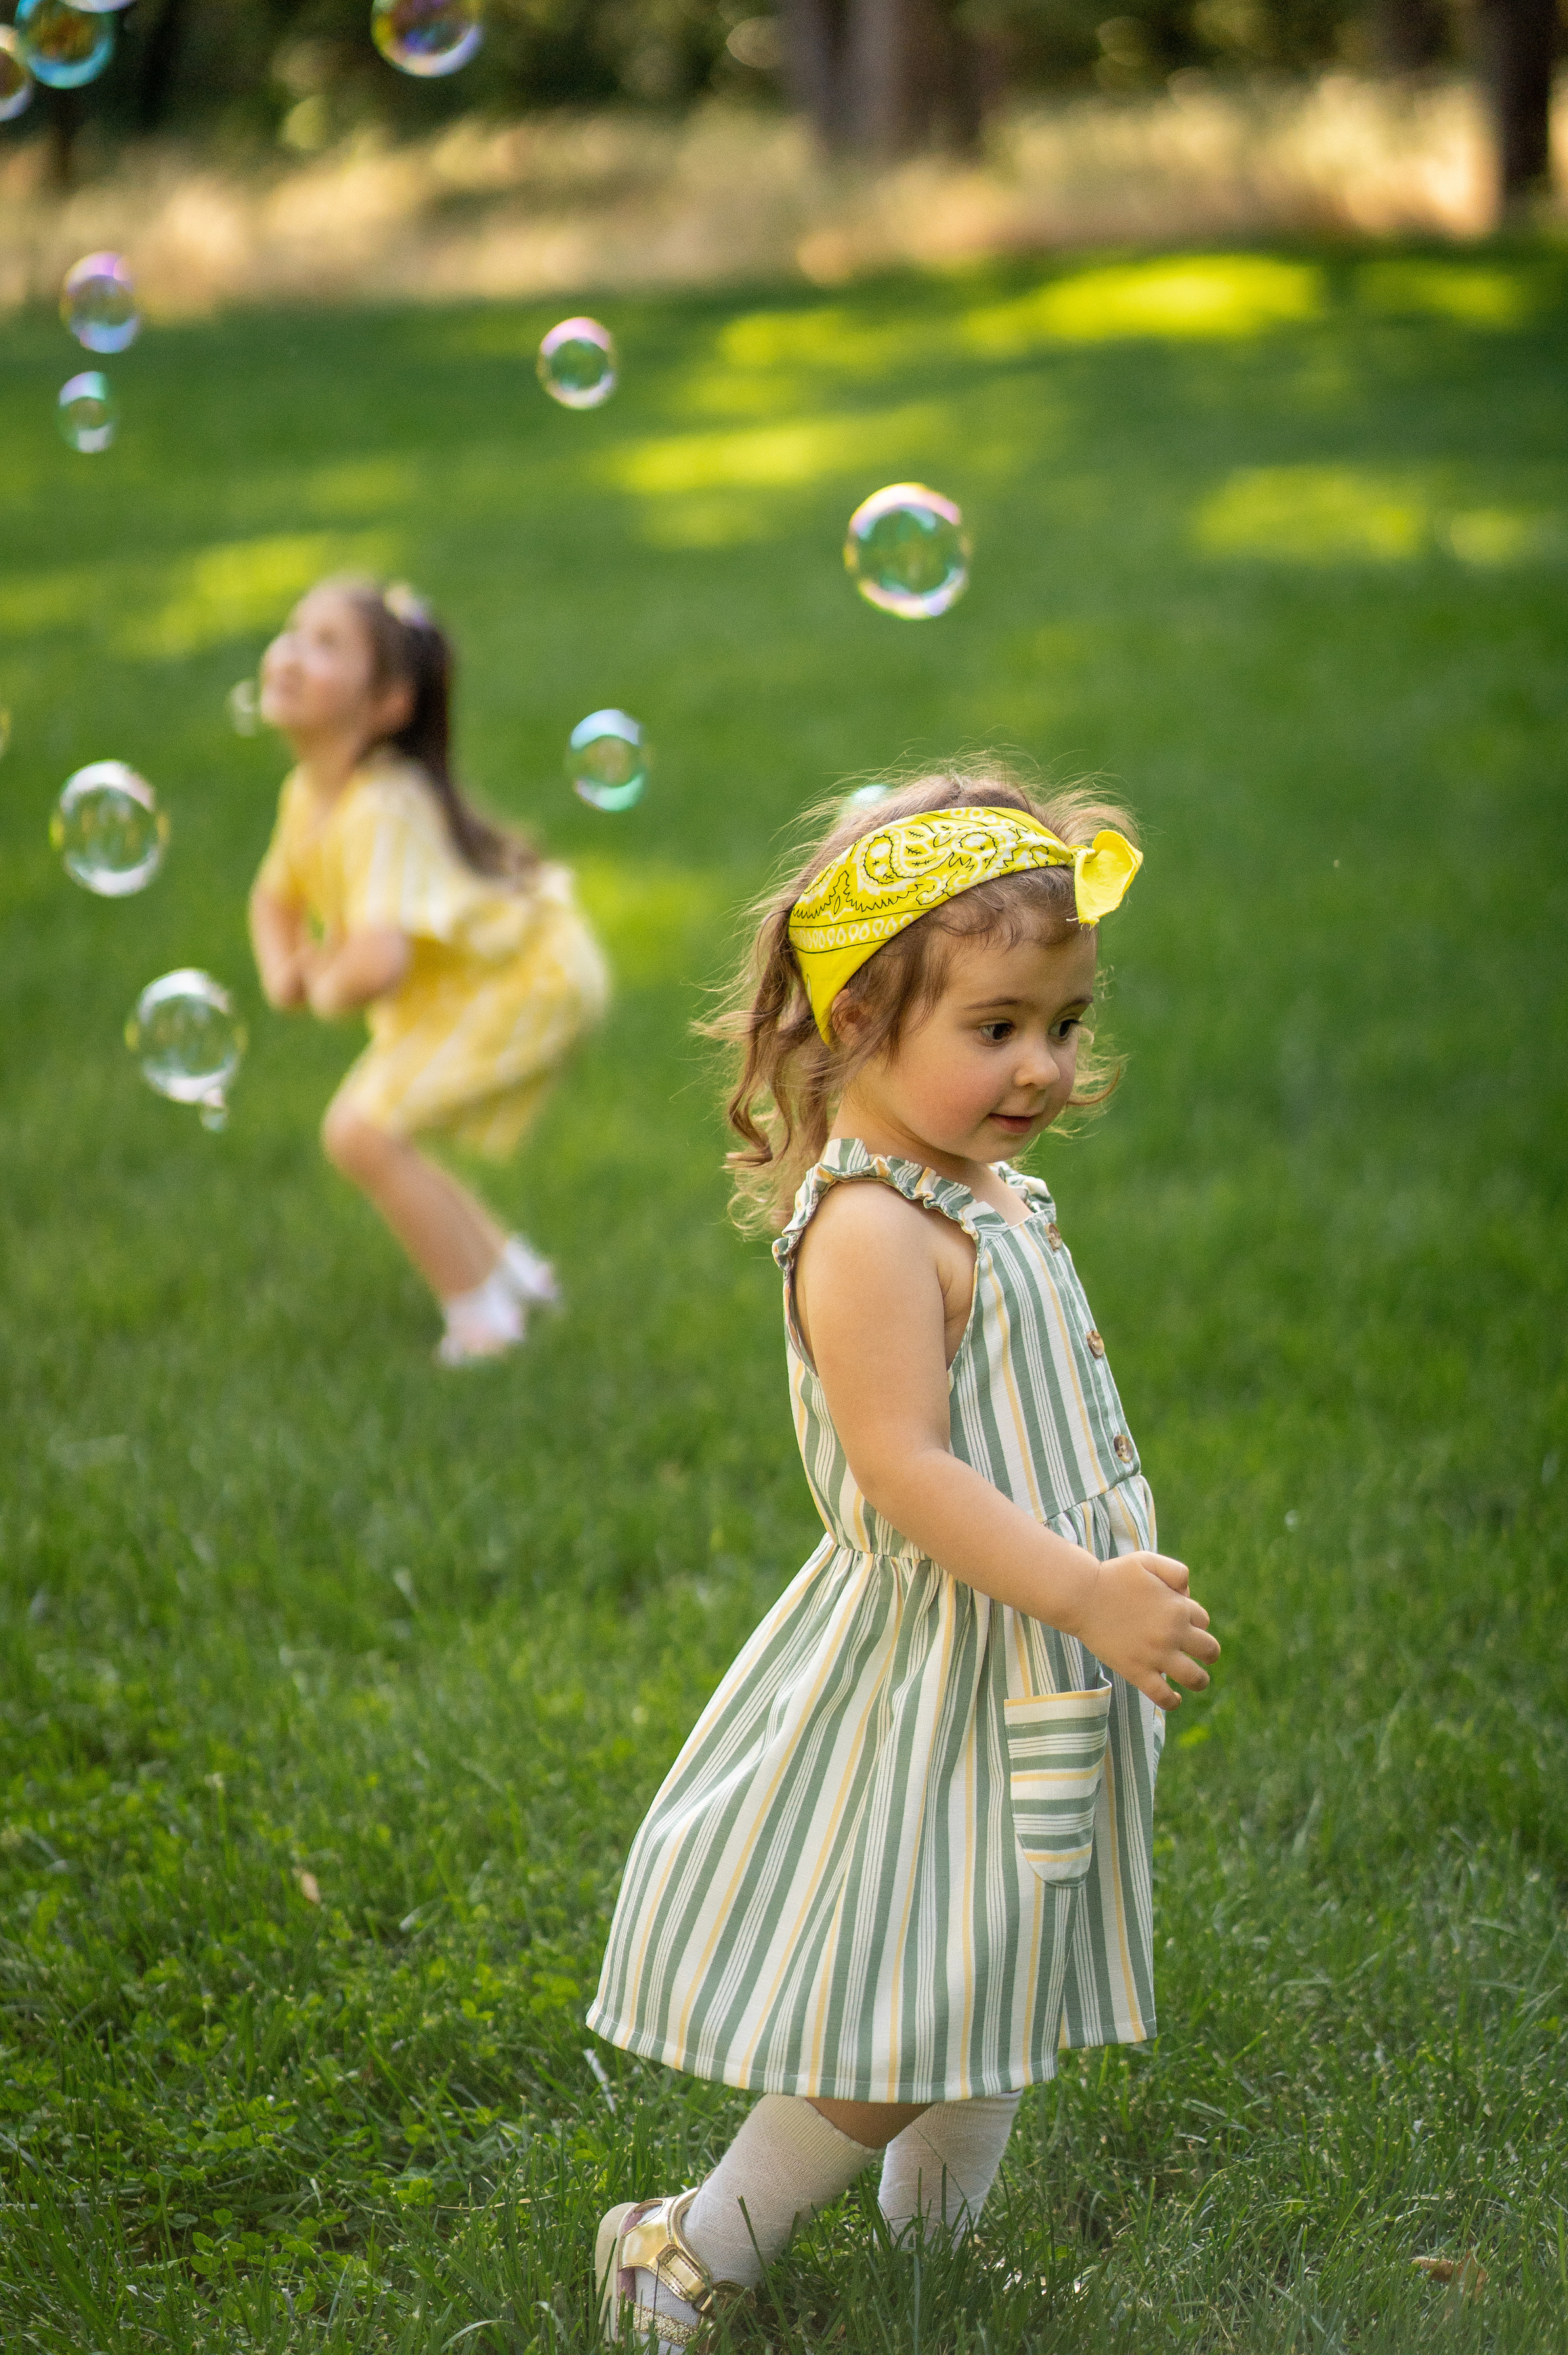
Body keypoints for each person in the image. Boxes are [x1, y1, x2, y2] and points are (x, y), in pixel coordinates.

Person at [587, 767, 1219, 2339]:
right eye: (994, 1027)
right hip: (945, 1660)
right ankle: (688, 2240)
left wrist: (1086, 1590)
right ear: (853, 1021)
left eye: (1062, 1024)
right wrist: (1079, 1585)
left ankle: (935, 2243)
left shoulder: (987, 1187)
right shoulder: (872, 1227)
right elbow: (902, 1464)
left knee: (997, 1967)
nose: (1041, 1066)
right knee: (914, 1999)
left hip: (1033, 1654)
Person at [247, 576, 610, 1366]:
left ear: (387, 707)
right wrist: (284, 970)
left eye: (327, 644)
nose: (293, 652)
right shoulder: (306, 794)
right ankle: (512, 1274)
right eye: (293, 631)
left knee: (362, 1131)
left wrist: (319, 984)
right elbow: (272, 900)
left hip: (526, 981)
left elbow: (377, 963)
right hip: (482, 979)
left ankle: (482, 1318)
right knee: (381, 1129)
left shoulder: (381, 805)